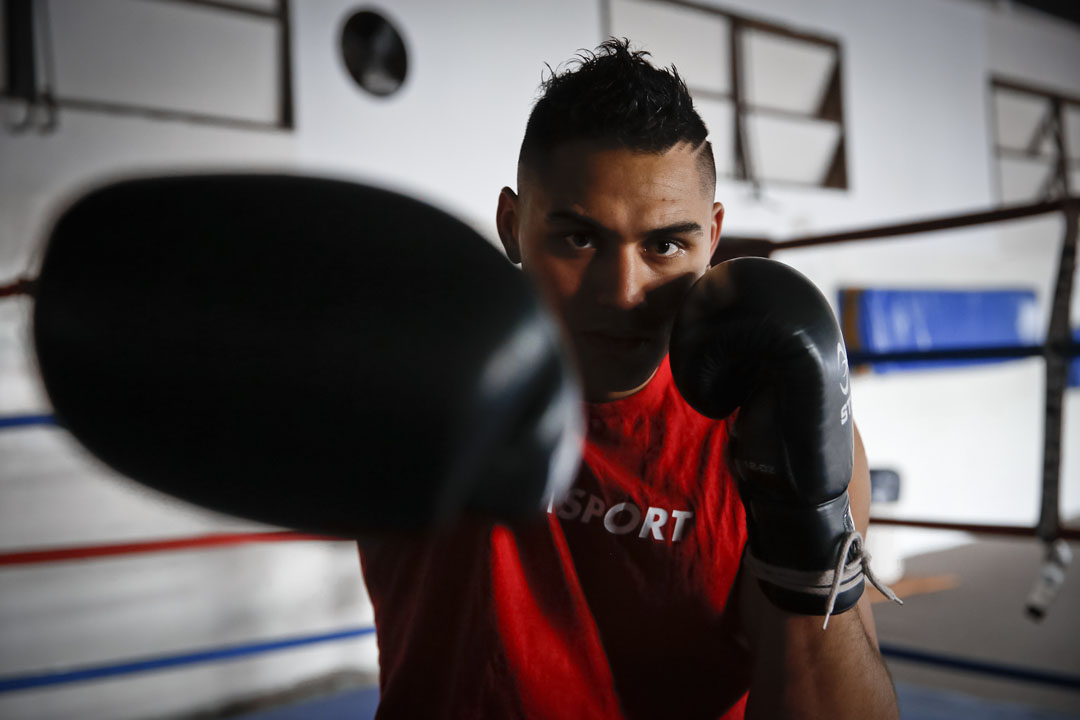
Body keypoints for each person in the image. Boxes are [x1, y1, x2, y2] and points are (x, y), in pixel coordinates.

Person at [358, 39, 900, 719]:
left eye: (665, 244)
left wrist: (805, 528)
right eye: (580, 239)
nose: (623, 291)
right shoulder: (415, 384)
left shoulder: (770, 429)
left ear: (713, 237)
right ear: (511, 226)